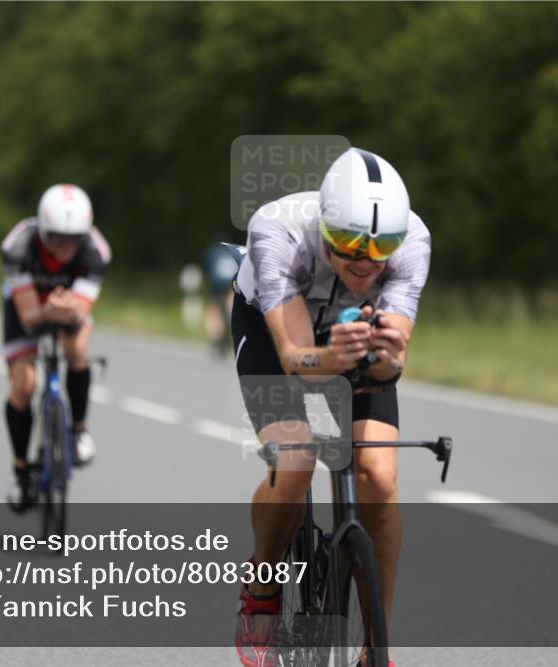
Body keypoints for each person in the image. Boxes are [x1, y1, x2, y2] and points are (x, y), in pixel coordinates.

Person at [231, 148, 431, 667]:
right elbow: (295, 357)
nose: (365, 262)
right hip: (275, 329)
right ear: (324, 225)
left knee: (378, 475)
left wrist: (384, 363)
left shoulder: (414, 242)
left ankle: (377, 644)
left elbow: (392, 360)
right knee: (295, 461)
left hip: (349, 331)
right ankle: (263, 588)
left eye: (380, 247)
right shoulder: (276, 232)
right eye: (348, 245)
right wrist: (333, 357)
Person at [1, 183, 111, 512]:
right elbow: (28, 315)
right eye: (56, 239)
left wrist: (70, 311)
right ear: (43, 232)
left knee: (77, 346)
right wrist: (45, 312)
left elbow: (81, 310)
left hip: (66, 305)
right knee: (24, 384)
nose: (65, 248)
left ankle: (79, 430)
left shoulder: (96, 252)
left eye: (73, 240)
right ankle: (21, 472)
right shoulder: (17, 247)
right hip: (26, 306)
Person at [202, 238, 239, 356]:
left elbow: (208, 270)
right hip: (232, 282)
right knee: (231, 302)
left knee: (214, 308)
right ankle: (231, 320)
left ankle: (217, 337)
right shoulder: (234, 251)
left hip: (217, 283)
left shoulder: (212, 252)